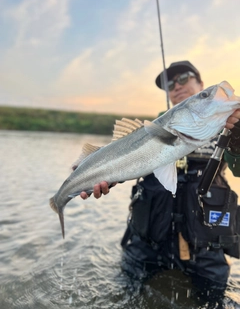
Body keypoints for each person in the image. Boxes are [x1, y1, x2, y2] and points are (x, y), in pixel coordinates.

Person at [80, 60, 240, 291]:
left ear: (200, 83)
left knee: (212, 297)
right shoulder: (148, 129)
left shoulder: (228, 126)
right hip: (148, 238)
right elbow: (124, 161)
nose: (176, 86)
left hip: (204, 242)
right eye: (170, 85)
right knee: (130, 292)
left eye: (183, 78)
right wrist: (107, 177)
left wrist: (237, 141)